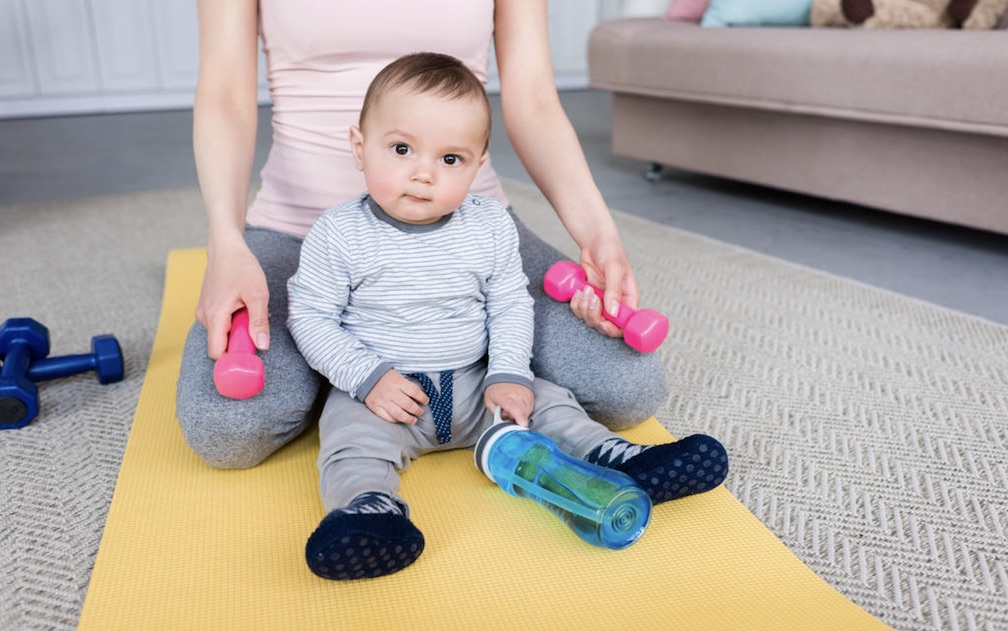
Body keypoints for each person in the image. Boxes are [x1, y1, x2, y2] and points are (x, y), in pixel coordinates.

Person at [286, 52, 728, 580]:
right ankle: (369, 514)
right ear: (359, 147)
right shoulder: (340, 234)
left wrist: (509, 375)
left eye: (451, 159)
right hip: (383, 396)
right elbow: (310, 318)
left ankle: (620, 459)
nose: (424, 174)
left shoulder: (489, 225)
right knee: (349, 443)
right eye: (401, 149)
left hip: (477, 387)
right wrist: (368, 378)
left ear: (478, 164)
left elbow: (510, 305)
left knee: (551, 402)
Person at [177, 1, 669, 470]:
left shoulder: (486, 233)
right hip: (295, 231)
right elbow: (223, 93)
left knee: (628, 388)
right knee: (227, 428)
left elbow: (535, 98)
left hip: (466, 233)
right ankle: (347, 363)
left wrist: (597, 232)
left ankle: (375, 360)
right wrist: (225, 241)